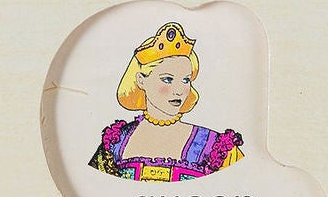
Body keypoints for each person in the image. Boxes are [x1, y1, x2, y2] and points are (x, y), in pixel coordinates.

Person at [89, 21, 243, 181]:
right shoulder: (116, 142)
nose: (179, 90)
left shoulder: (214, 146)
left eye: (185, 80)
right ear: (141, 80)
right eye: (168, 79)